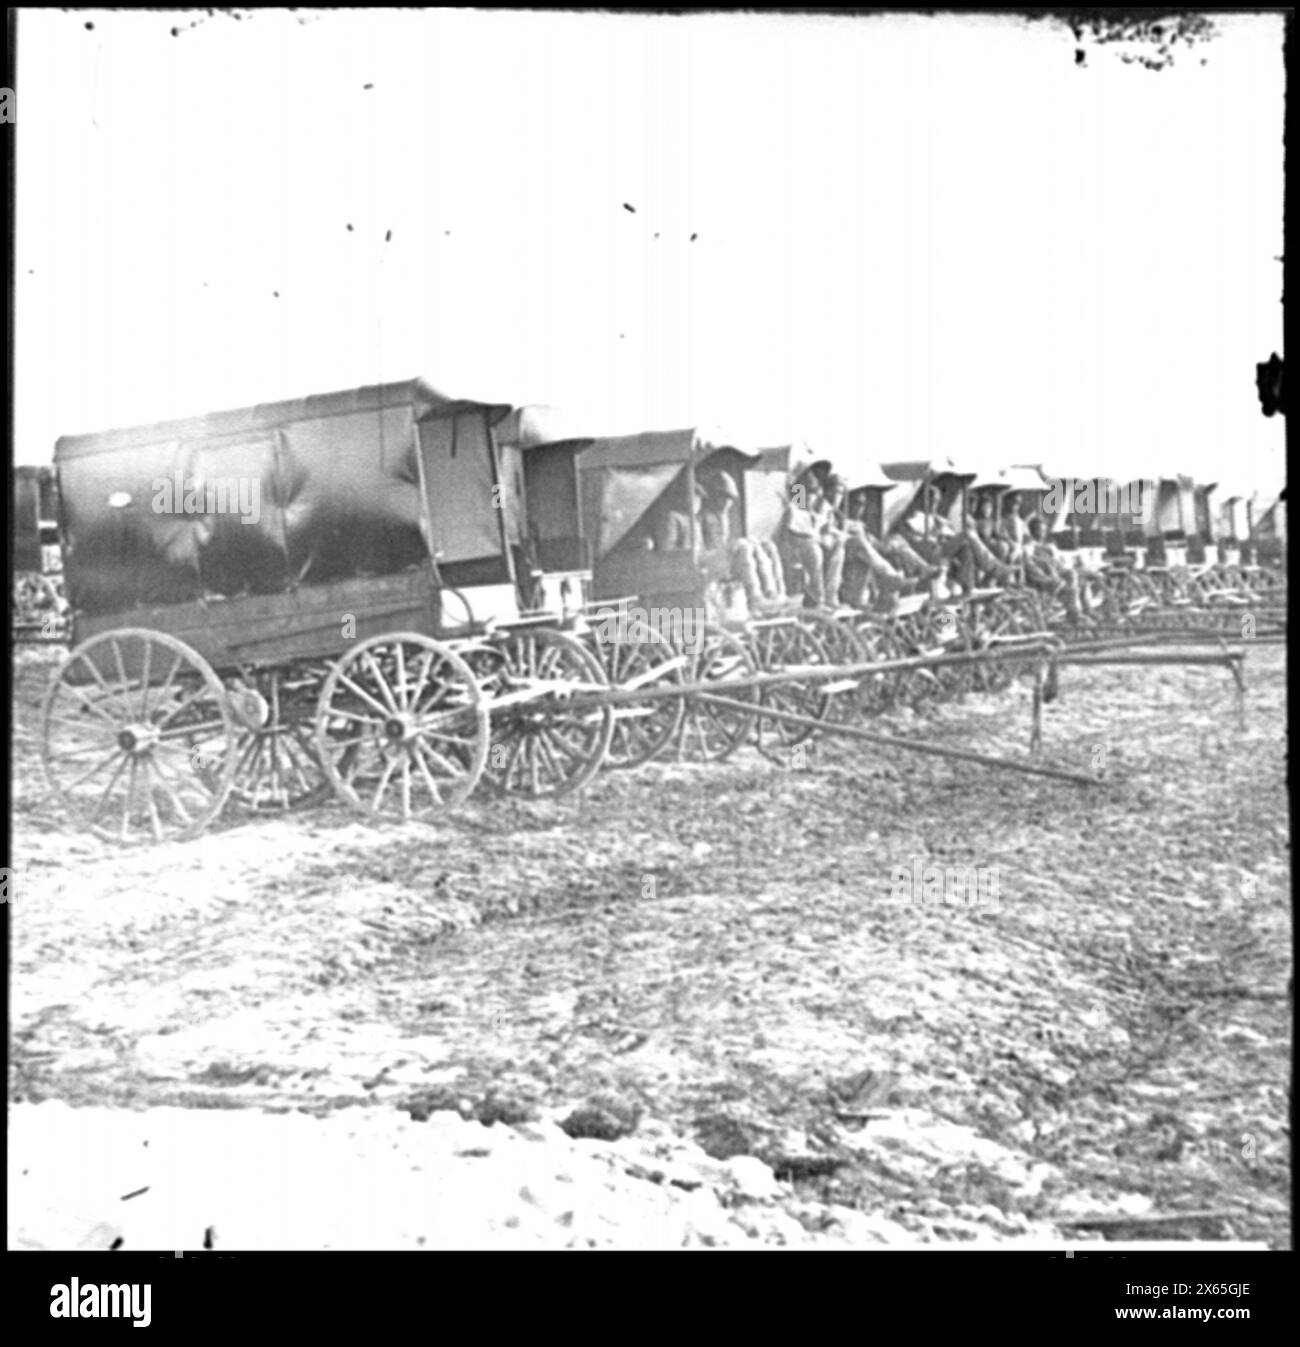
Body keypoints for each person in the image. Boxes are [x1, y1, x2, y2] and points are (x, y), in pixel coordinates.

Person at [779, 476, 825, 605]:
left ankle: (820, 596)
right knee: (814, 552)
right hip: (795, 548)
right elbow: (788, 534)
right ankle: (818, 596)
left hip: (806, 547)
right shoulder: (794, 510)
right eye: (809, 493)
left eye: (813, 493)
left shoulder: (811, 514)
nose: (812, 497)